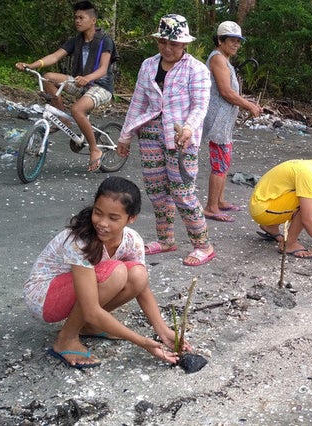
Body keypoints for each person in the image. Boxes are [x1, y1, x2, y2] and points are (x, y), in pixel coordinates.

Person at [23, 177, 191, 369]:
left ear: (131, 218)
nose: (102, 223)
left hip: (77, 292)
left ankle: (86, 326)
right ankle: (66, 339)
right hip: (44, 298)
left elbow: (141, 289)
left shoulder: (132, 240)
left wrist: (163, 330)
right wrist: (144, 342)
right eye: (98, 213)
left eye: (113, 218)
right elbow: (92, 309)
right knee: (117, 273)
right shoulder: (80, 241)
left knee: (138, 275)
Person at [116, 14, 214, 267]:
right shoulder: (148, 65)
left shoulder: (197, 69)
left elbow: (200, 106)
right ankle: (166, 239)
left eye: (174, 44)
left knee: (182, 192)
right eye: (163, 42)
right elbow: (138, 102)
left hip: (182, 137)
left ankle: (203, 246)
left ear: (184, 45)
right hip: (149, 133)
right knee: (157, 191)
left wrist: (189, 129)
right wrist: (125, 135)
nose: (168, 48)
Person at [14, 1, 116, 172]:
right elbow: (54, 57)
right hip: (79, 82)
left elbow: (103, 69)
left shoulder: (105, 40)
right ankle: (64, 119)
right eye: (75, 17)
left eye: (81, 17)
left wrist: (87, 78)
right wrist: (32, 65)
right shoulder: (76, 40)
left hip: (101, 86)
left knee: (77, 109)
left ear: (93, 21)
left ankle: (94, 148)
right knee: (48, 78)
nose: (77, 21)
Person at [202, 21, 262, 223]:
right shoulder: (217, 58)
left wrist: (248, 103)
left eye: (238, 41)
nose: (236, 45)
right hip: (218, 119)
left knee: (224, 161)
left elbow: (231, 92)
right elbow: (226, 92)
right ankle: (211, 207)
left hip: (225, 121)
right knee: (220, 162)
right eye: (232, 41)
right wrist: (250, 106)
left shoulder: (224, 59)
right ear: (220, 40)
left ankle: (218, 200)